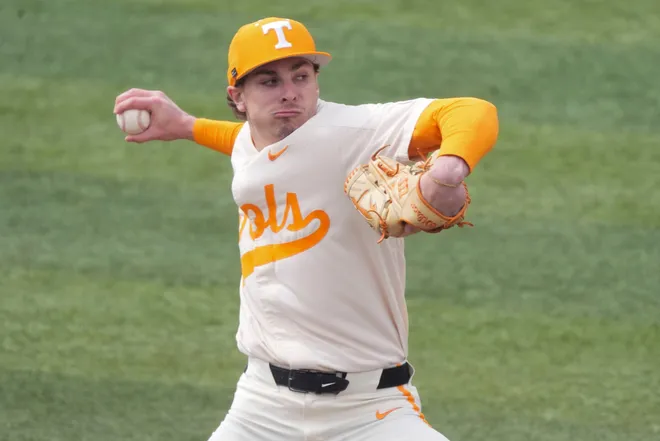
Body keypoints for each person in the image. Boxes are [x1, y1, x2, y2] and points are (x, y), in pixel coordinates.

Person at [114, 16, 498, 441]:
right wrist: (187, 127)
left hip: (371, 409)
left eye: (301, 76)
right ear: (238, 98)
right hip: (262, 406)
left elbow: (474, 111)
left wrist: (447, 169)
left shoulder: (357, 133)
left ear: (317, 81)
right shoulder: (254, 141)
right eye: (269, 81)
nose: (290, 93)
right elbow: (250, 144)